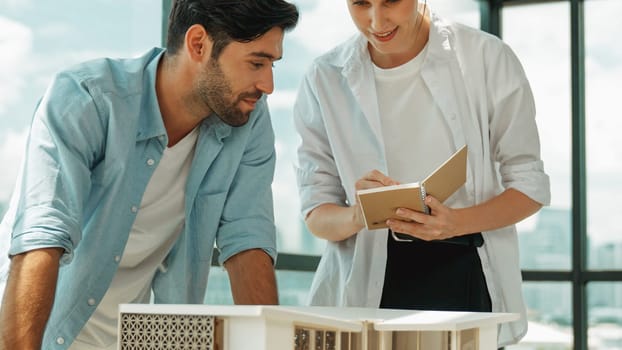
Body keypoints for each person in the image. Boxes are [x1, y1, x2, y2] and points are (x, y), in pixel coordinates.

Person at [0, 1, 299, 349]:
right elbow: (43, 237)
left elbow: (247, 239)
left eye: (272, 65)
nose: (268, 85)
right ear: (198, 44)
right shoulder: (88, 99)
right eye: (256, 63)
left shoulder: (246, 121)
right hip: (41, 335)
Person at [293, 0, 550, 347]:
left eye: (391, 2)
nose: (376, 20)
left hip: (465, 270)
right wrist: (359, 213)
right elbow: (316, 215)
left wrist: (456, 222)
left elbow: (529, 186)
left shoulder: (486, 58)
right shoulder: (325, 77)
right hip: (369, 282)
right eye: (360, 4)